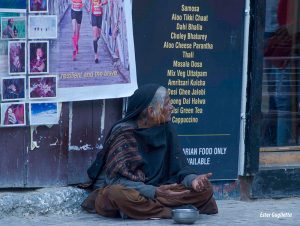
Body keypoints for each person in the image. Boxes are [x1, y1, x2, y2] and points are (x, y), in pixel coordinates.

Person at [81, 84, 218, 219]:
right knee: (117, 194)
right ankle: (170, 212)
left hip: (160, 191)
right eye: (167, 104)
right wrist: (154, 192)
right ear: (151, 111)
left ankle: (146, 210)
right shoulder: (124, 133)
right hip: (135, 191)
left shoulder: (166, 128)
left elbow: (180, 168)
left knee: (206, 189)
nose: (172, 107)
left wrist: (193, 180)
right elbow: (116, 181)